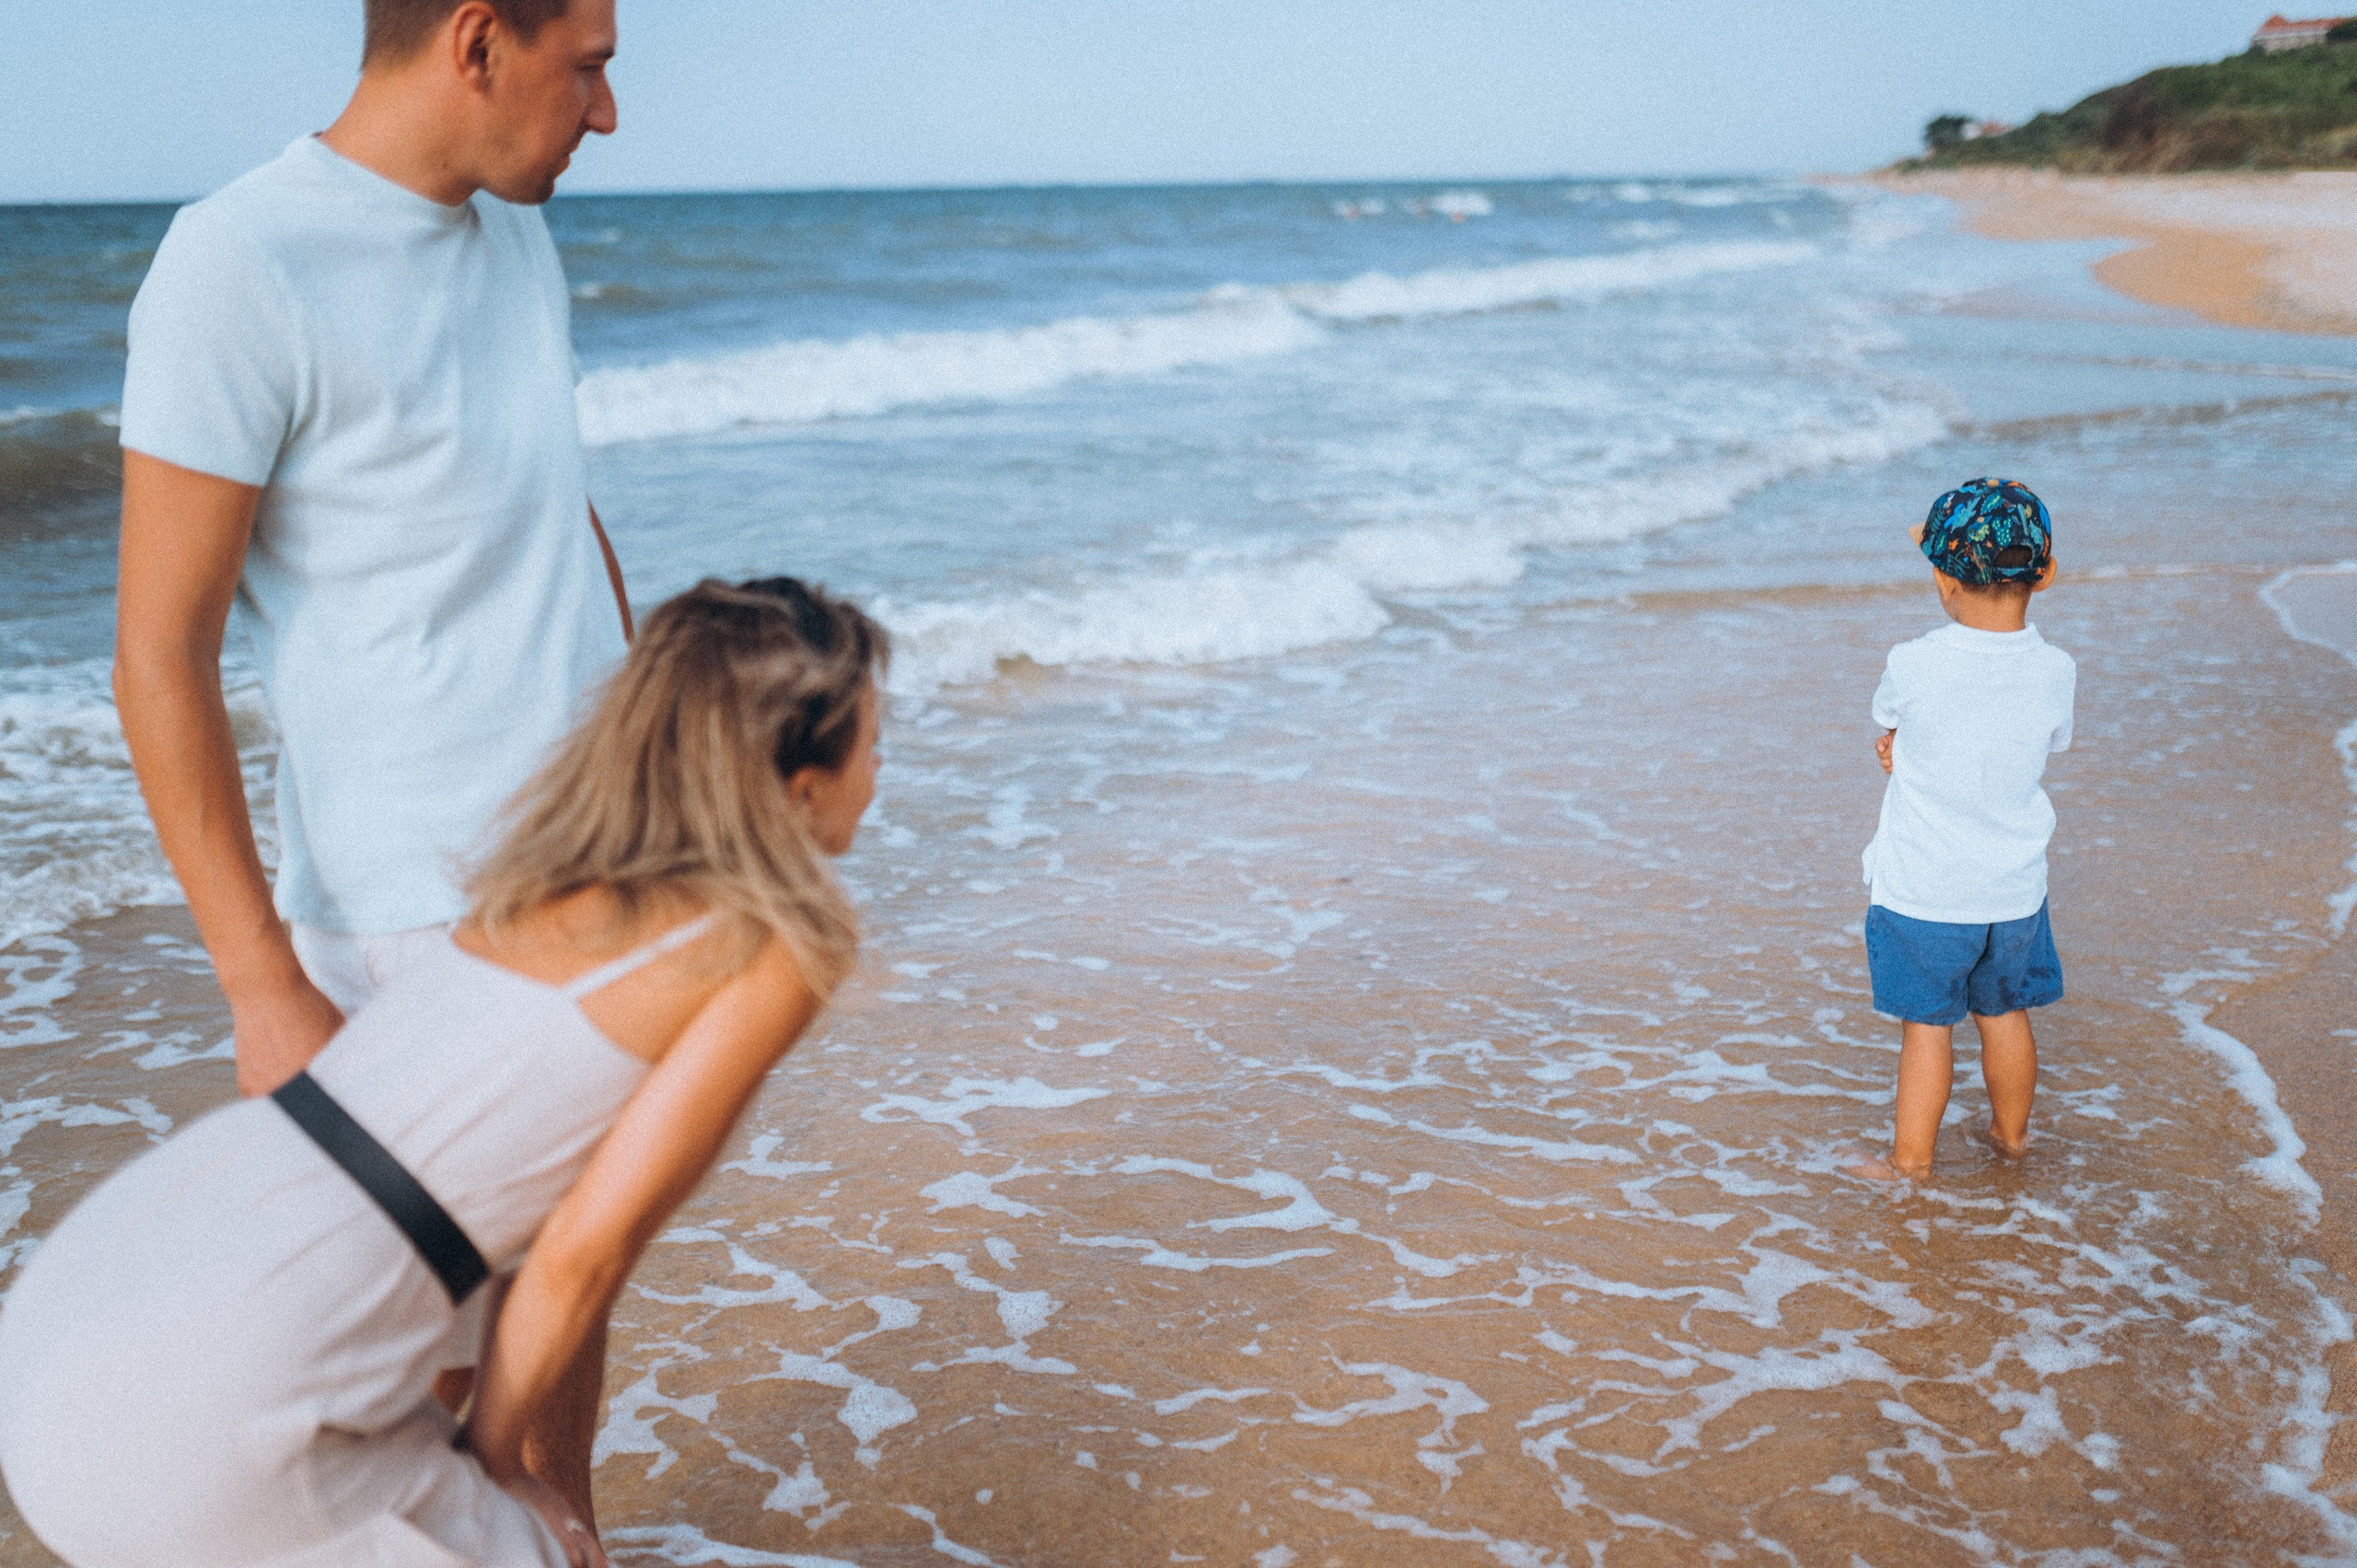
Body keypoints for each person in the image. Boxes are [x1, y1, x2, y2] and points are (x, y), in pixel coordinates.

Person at [0, 578, 888, 1568]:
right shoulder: (775, 945)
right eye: (872, 744)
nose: (880, 770)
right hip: (219, 1402)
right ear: (801, 787)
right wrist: (499, 1465)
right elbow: (580, 1250)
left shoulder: (543, 875)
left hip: (91, 1303)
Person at [114, 0, 628, 1100]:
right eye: (587, 71)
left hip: (598, 873)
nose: (607, 113)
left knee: (578, 1275)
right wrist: (260, 985)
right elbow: (159, 654)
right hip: (415, 927)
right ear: (477, 42)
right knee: (448, 1281)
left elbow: (561, 514)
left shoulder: (515, 229)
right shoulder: (239, 263)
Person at [1849, 479, 2074, 1183]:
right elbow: (2046, 741)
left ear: (1944, 581)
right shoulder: (2055, 669)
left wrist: (1894, 748)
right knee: (2004, 1013)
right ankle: (2011, 1137)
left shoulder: (1913, 662)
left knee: (1928, 1029)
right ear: (2047, 572)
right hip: (2011, 890)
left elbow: (1892, 721)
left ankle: (1909, 1161)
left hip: (1926, 890)